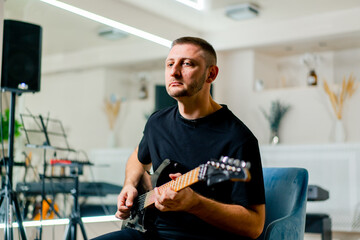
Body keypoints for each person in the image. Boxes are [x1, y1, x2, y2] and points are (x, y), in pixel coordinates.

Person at [92, 36, 265, 240]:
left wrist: (196, 204)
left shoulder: (238, 138)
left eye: (187, 64)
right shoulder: (157, 122)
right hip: (149, 232)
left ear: (211, 74)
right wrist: (129, 185)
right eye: (170, 64)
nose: (174, 72)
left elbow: (254, 226)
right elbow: (138, 158)